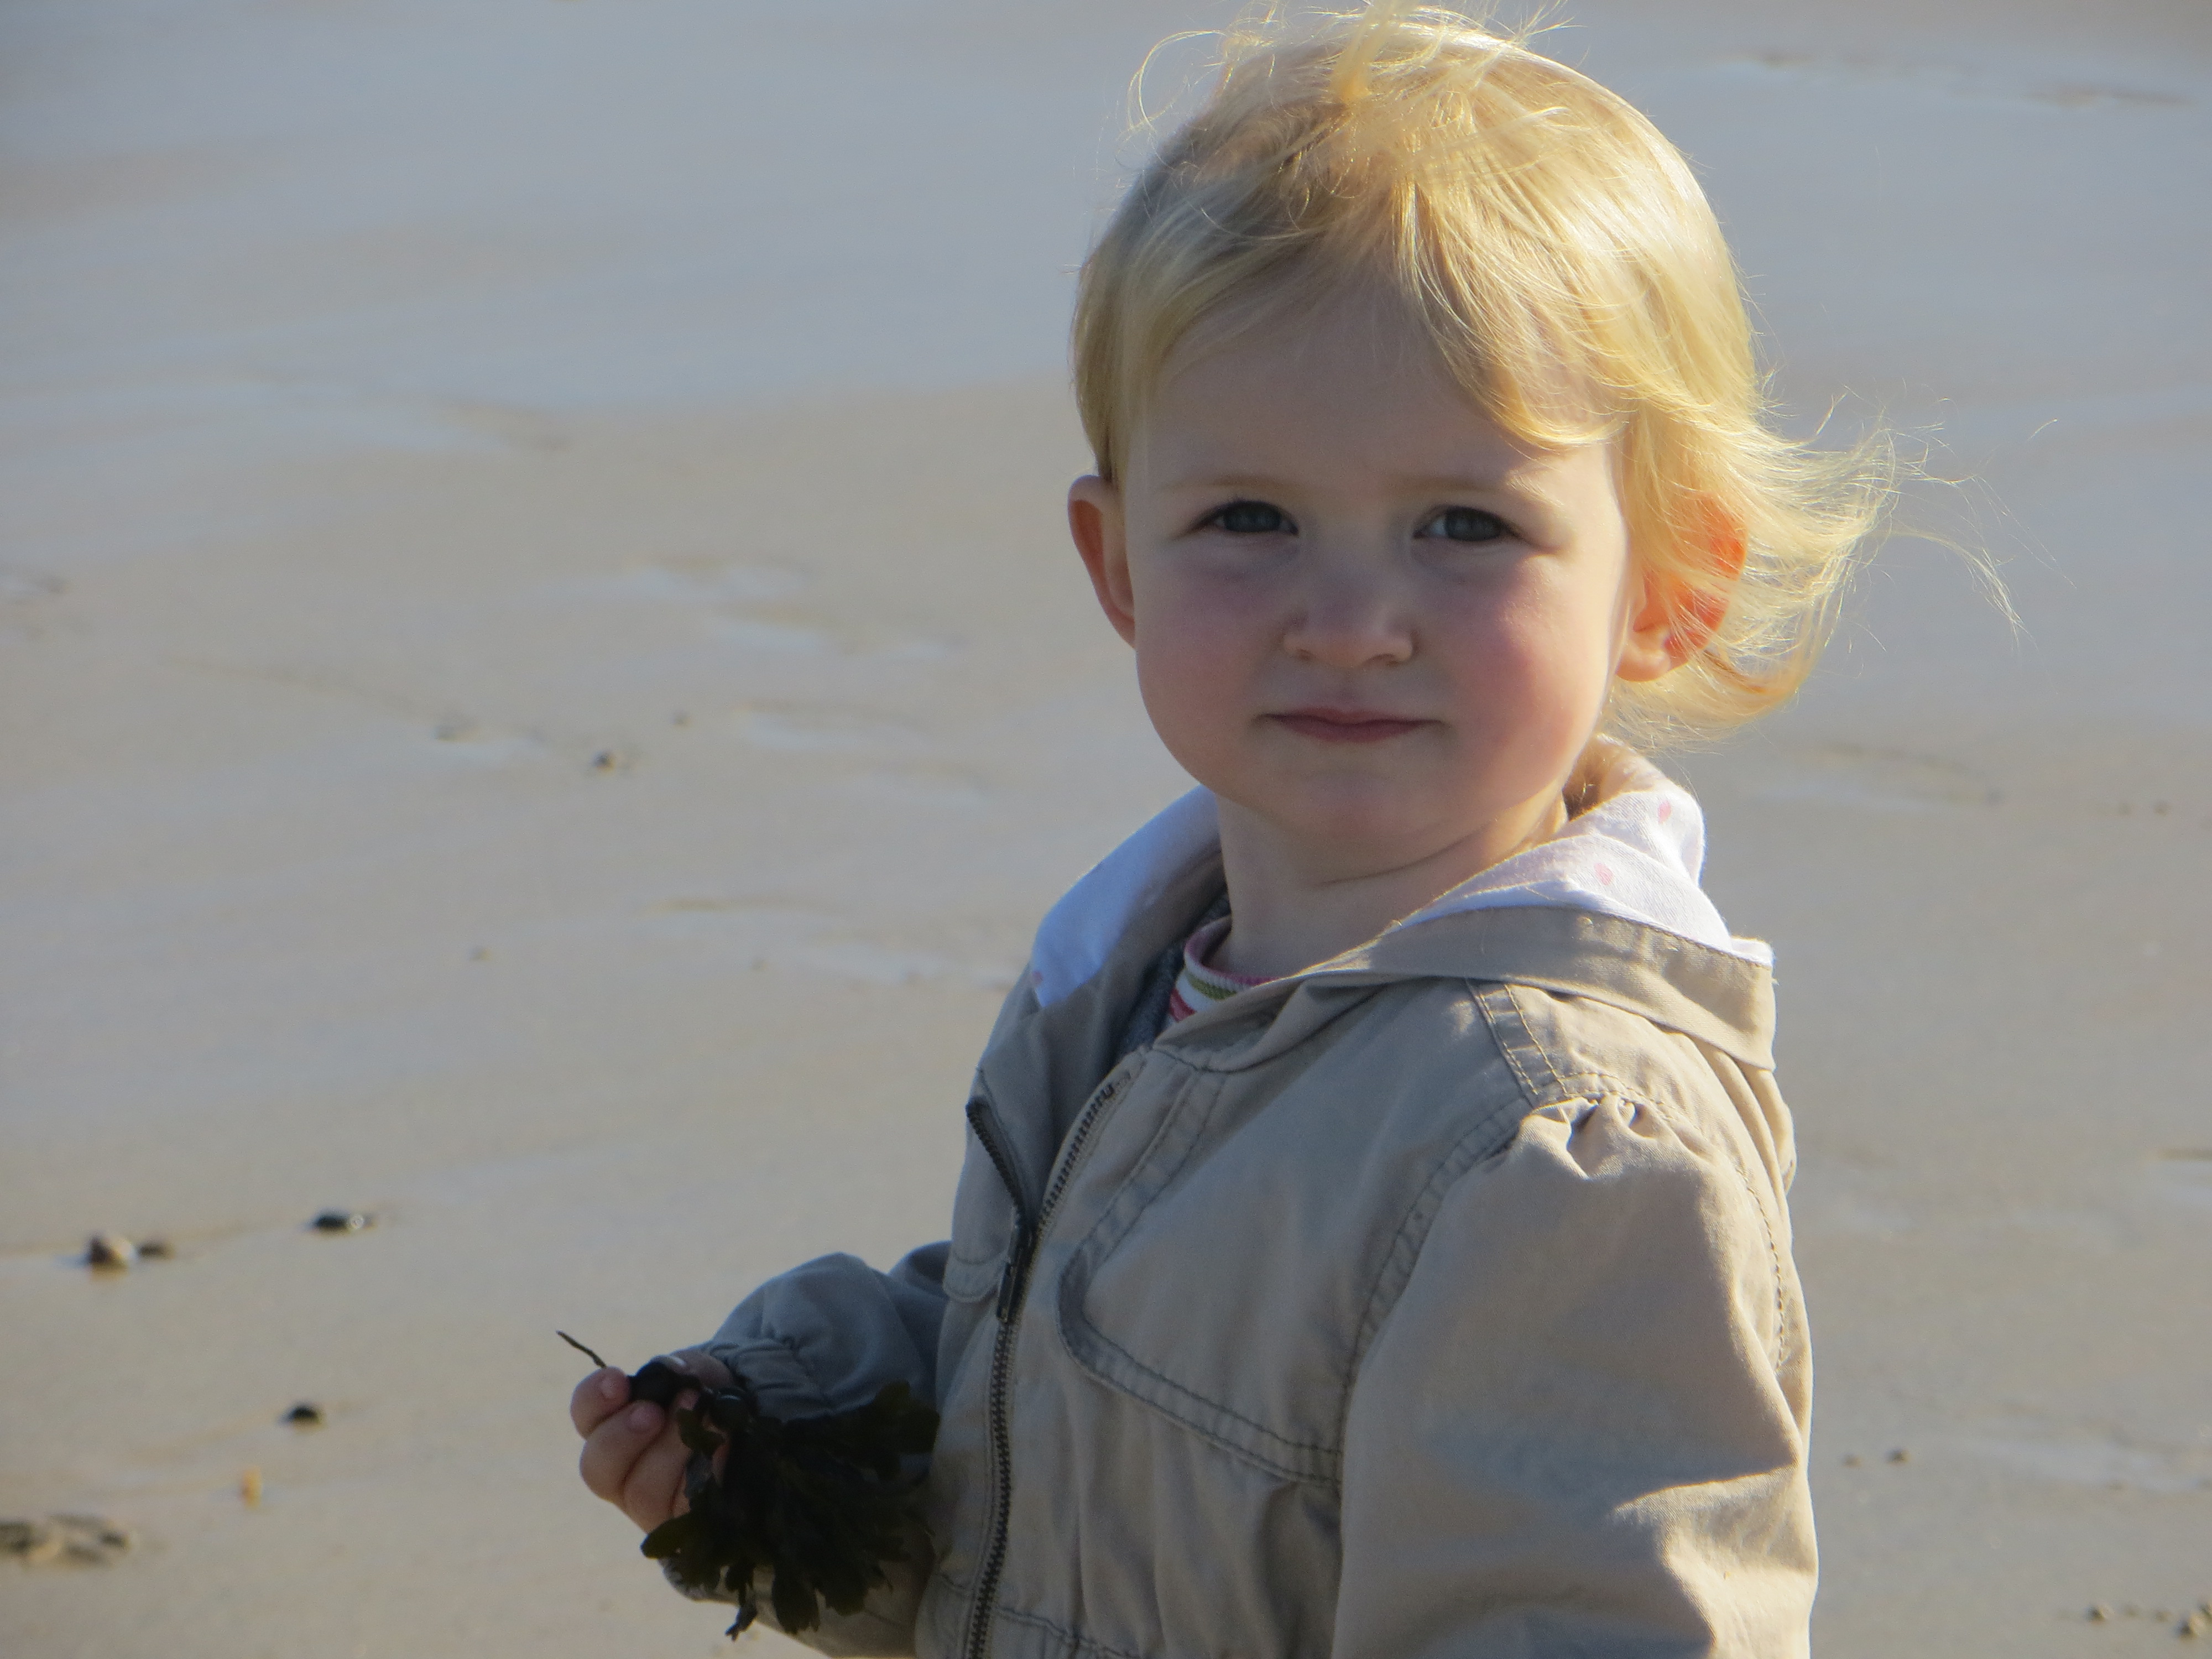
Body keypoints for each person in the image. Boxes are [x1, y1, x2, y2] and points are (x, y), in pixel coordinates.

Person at [572, 7, 1890, 1654]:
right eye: (1250, 517)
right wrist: (809, 1445)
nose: (1348, 622)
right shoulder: (1140, 982)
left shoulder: (1560, 1152)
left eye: (1465, 525)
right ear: (1118, 562)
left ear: (1670, 583)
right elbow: (1090, 1429)